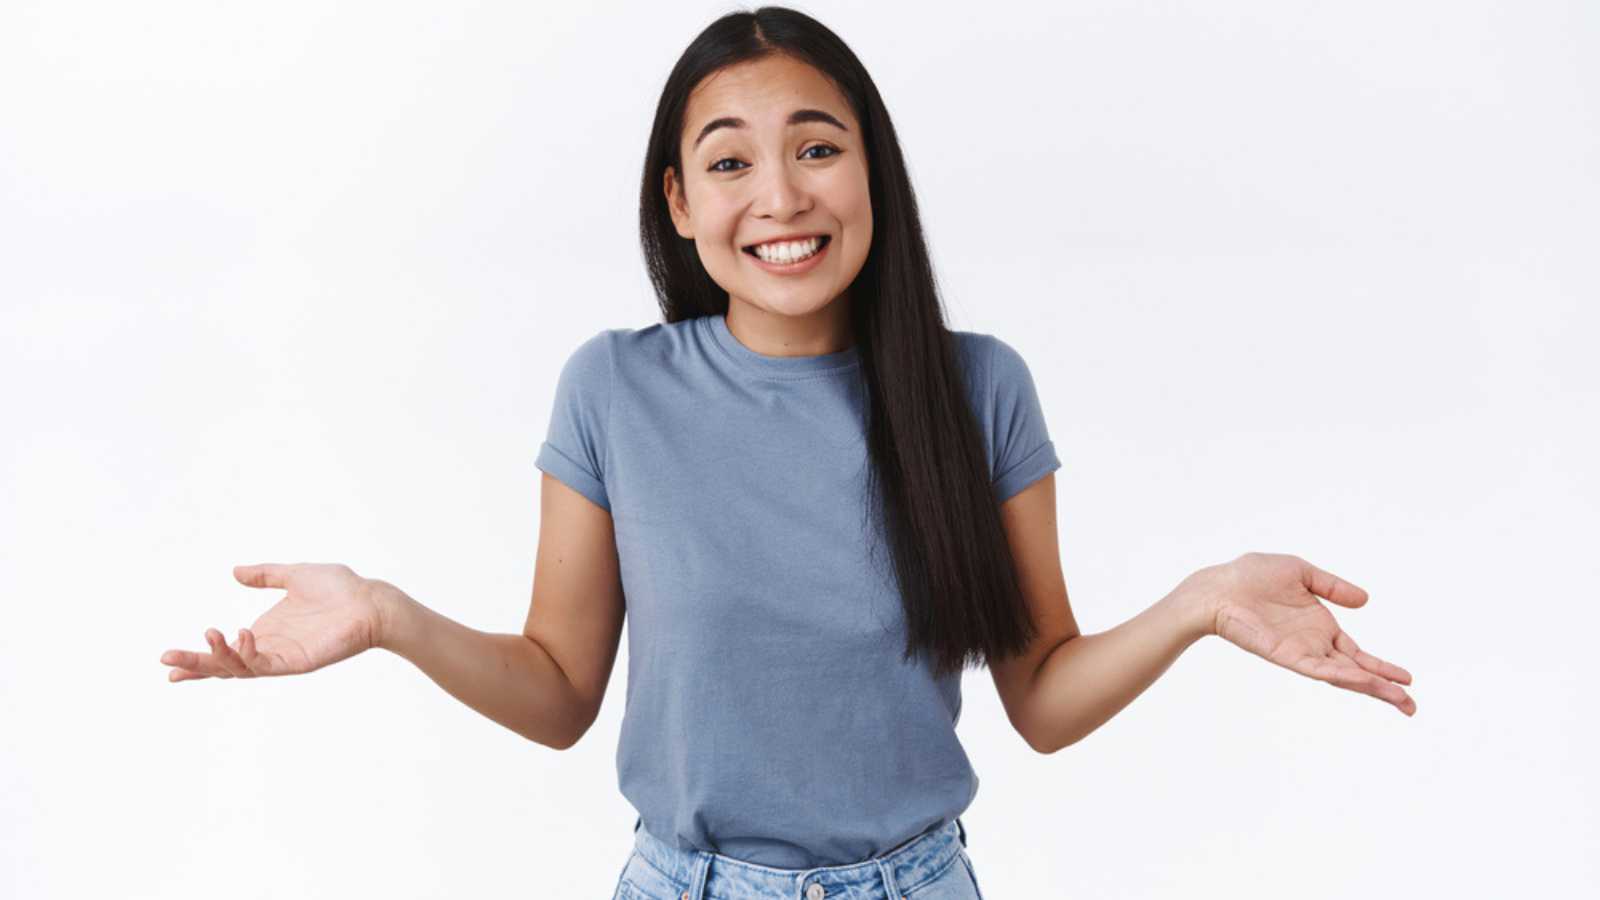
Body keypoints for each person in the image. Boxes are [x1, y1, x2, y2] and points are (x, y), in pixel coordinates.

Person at [159, 7, 1417, 899]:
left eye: (817, 147)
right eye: (729, 163)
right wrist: (386, 615)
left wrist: (1198, 604)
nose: (779, 196)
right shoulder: (613, 389)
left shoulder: (977, 389)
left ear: (871, 170)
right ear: (677, 202)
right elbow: (556, 692)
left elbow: (1042, 700)